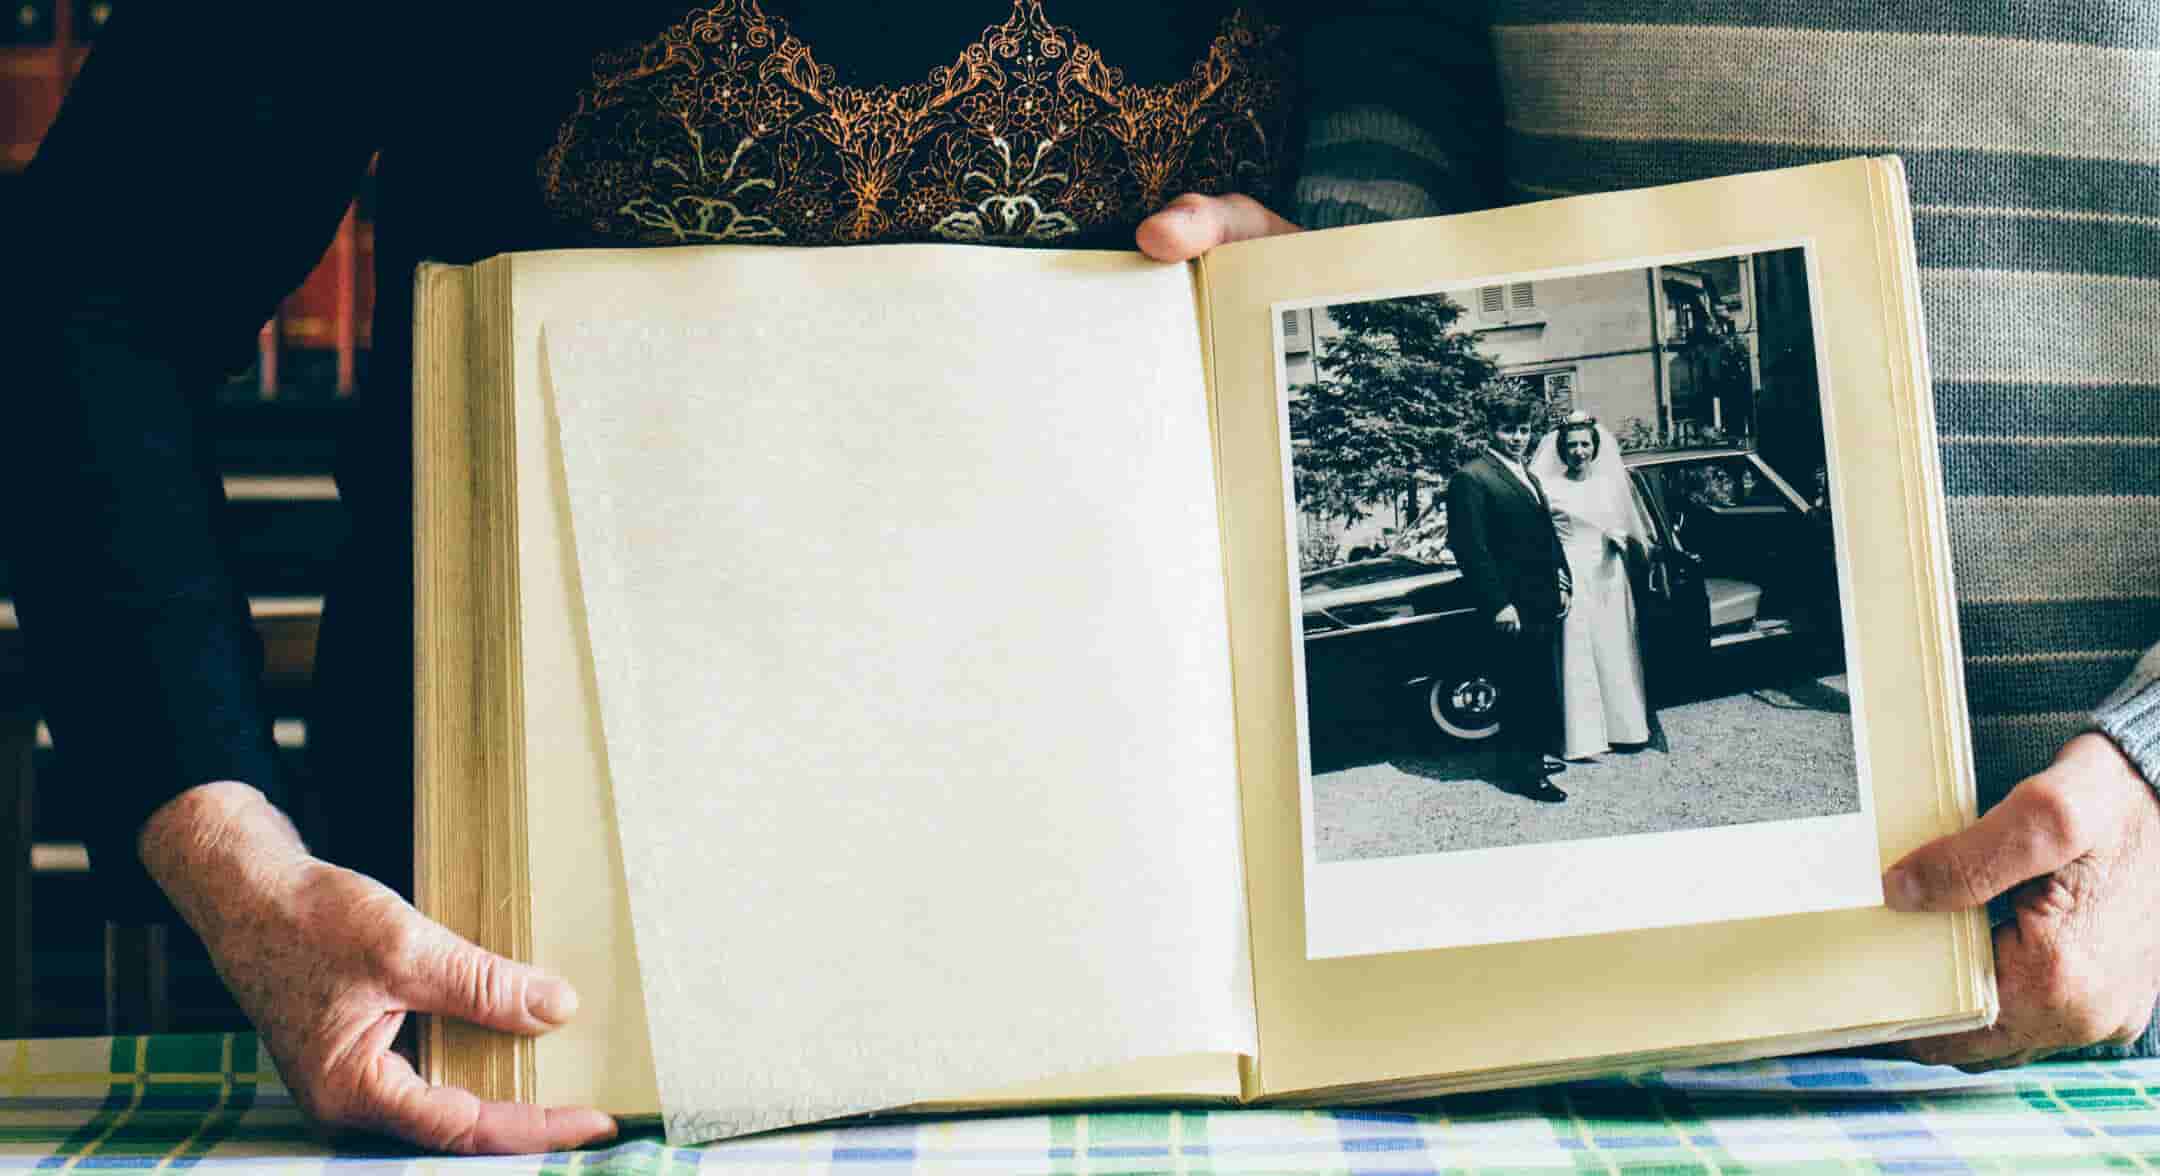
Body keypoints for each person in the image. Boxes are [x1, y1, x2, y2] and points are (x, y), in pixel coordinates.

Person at [1442, 394, 1572, 802]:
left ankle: (1531, 753)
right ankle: (1525, 773)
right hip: (1512, 604)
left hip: (1542, 598)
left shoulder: (1526, 473)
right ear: (1491, 432)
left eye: (1523, 430)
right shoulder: (1472, 477)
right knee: (1521, 689)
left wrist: (1562, 579)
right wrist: (1498, 602)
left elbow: (1544, 534)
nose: (1516, 437)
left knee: (1539, 685)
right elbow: (1470, 547)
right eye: (1508, 430)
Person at [1531, 414, 1650, 760]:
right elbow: (1544, 538)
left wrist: (1621, 541)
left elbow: (1628, 529)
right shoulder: (1549, 487)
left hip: (1609, 573)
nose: (1579, 451)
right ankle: (1584, 738)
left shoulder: (1610, 484)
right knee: (1578, 651)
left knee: (1615, 646)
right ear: (1561, 450)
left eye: (1585, 444)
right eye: (1571, 445)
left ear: (1595, 447)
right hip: (1573, 572)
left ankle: (1625, 728)